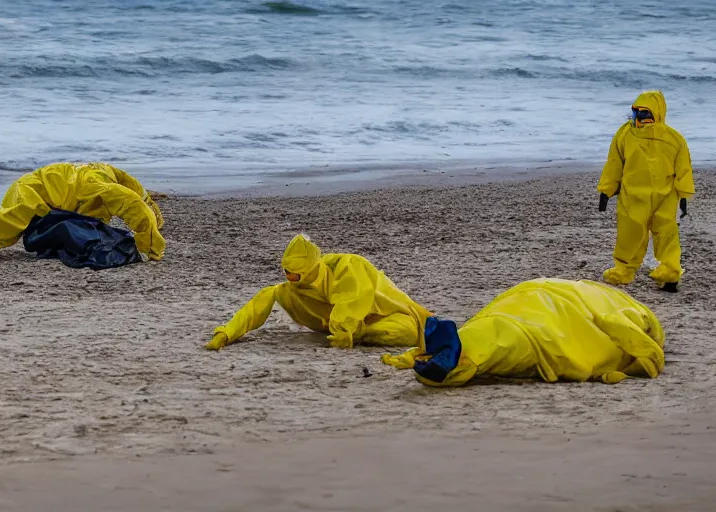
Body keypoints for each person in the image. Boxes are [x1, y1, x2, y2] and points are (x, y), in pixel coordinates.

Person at [381, 278, 665, 387]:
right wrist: (651, 362)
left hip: (530, 292)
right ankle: (453, 354)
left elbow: (617, 322)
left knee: (496, 325)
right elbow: (617, 325)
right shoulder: (638, 313)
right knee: (521, 338)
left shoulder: (609, 297)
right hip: (561, 311)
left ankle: (438, 351)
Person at [205, 234, 433, 351]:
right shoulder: (290, 289)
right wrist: (226, 333)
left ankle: (355, 333)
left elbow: (353, 299)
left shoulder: (347, 265)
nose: (289, 277)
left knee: (402, 332)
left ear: (310, 268)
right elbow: (256, 306)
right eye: (287, 271)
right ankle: (352, 333)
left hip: (390, 316)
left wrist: (345, 330)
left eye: (295, 273)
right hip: (338, 326)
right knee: (275, 292)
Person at [0, 162, 166, 262]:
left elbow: (134, 197)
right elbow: (135, 199)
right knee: (23, 215)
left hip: (64, 193)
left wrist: (152, 225)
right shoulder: (29, 193)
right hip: (42, 191)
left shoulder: (99, 183)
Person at [597, 90, 695, 292]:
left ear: (657, 113)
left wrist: (684, 196)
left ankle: (670, 272)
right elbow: (615, 164)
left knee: (667, 233)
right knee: (629, 234)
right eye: (637, 112)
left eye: (645, 112)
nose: (640, 117)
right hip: (633, 195)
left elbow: (683, 169)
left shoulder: (674, 140)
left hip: (666, 196)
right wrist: (606, 190)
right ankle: (623, 270)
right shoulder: (625, 134)